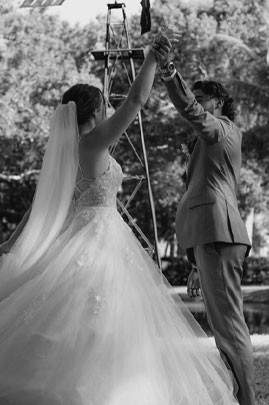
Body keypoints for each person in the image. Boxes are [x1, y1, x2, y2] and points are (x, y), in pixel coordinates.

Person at [0, 36, 239, 405]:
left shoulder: (69, 153)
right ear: (94, 112)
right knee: (104, 318)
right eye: (103, 104)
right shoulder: (94, 143)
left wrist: (13, 241)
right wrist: (150, 61)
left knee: (78, 317)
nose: (108, 109)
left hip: (76, 237)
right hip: (100, 239)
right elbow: (136, 101)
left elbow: (39, 208)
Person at [157, 34, 255, 405]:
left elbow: (192, 111)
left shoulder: (222, 129)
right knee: (221, 325)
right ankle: (236, 395)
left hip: (220, 232)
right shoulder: (206, 140)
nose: (196, 102)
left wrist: (168, 71)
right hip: (210, 239)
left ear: (218, 103)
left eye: (202, 97)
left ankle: (247, 400)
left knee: (229, 325)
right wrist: (197, 263)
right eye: (194, 95)